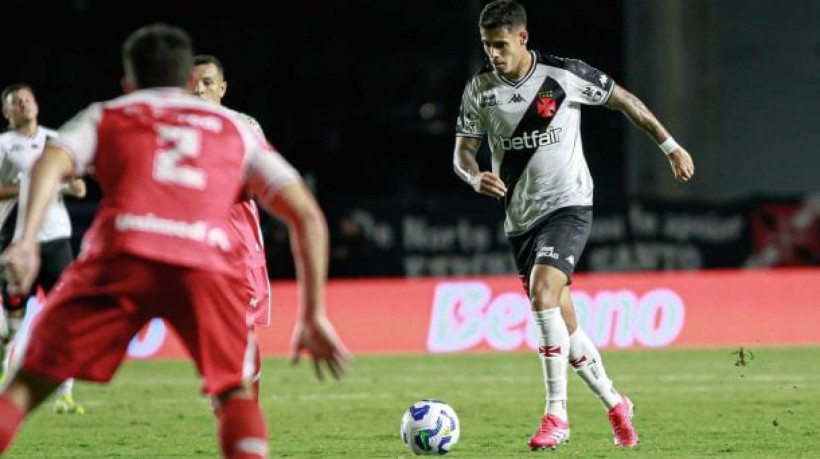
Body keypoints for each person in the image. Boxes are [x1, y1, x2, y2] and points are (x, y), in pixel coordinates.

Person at [0, 22, 350, 458]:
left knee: (24, 386)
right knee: (236, 393)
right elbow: (308, 216)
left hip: (121, 254)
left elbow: (46, 164)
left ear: (129, 83)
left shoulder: (108, 114)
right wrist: (313, 313)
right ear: (188, 79)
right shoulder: (233, 128)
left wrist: (25, 240)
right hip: (205, 260)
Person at [452, 0, 694, 450]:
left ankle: (555, 414)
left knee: (543, 294)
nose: (493, 55)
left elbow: (626, 102)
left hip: (569, 207)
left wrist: (671, 147)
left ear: (523, 38)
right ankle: (616, 403)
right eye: (487, 46)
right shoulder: (479, 90)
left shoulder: (564, 76)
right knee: (563, 321)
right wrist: (473, 175)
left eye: (501, 45)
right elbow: (462, 152)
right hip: (520, 220)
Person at [0, 83, 87, 415]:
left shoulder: (56, 141)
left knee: (68, 314)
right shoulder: (3, 145)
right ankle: (5, 353)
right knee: (11, 324)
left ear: (36, 104)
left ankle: (65, 393)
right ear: (7, 112)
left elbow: (78, 188)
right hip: (16, 239)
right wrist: (27, 187)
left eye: (27, 99)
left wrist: (74, 183)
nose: (24, 105)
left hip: (56, 241)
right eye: (15, 102)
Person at [192, 54, 270, 401]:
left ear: (222, 88)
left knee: (240, 331)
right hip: (190, 244)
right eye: (193, 82)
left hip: (237, 246)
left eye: (207, 82)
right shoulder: (172, 129)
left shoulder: (243, 126)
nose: (199, 89)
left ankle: (242, 410)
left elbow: (264, 183)